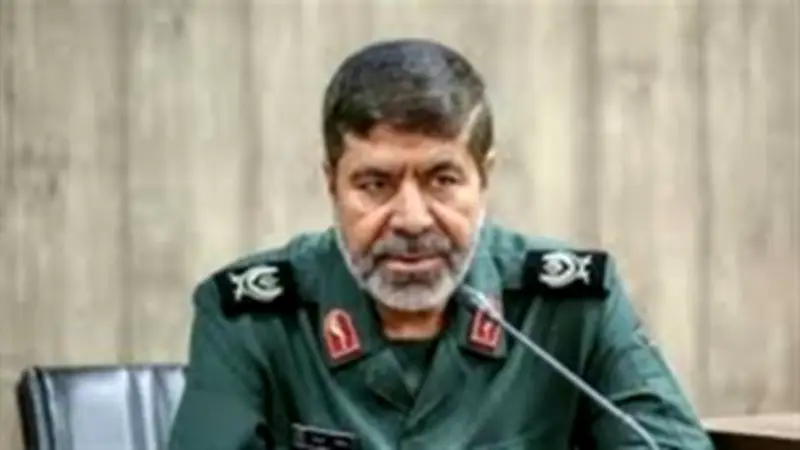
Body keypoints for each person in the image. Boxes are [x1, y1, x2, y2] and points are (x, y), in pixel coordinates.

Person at [168, 38, 713, 450]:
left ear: (484, 178)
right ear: (331, 183)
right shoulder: (250, 316)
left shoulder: (571, 305)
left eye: (442, 180)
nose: (411, 219)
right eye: (375, 184)